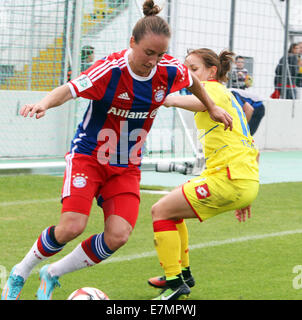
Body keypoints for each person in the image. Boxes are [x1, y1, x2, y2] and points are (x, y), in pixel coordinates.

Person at [1, 1, 232, 300]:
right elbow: (69, 89)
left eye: (159, 55)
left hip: (126, 166)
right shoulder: (110, 70)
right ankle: (21, 271)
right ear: (132, 42)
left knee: (118, 236)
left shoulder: (169, 70)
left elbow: (193, 82)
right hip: (89, 157)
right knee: (72, 226)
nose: (153, 61)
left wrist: (211, 106)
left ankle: (53, 272)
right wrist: (43, 103)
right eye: (148, 53)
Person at [148, 48, 259, 300]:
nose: (189, 75)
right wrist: (247, 194)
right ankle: (182, 273)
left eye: (194, 70)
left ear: (212, 71)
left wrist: (168, 98)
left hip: (228, 179)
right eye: (186, 69)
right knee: (172, 205)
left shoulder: (214, 90)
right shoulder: (228, 97)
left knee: (160, 211)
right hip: (242, 180)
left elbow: (200, 102)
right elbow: (256, 150)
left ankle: (175, 282)